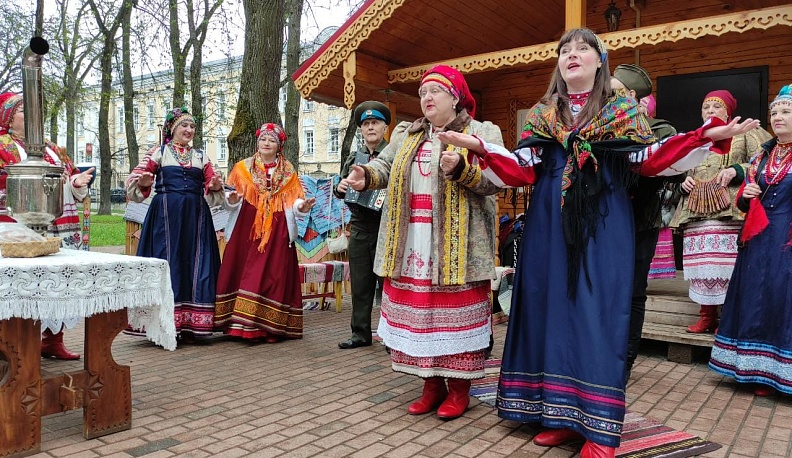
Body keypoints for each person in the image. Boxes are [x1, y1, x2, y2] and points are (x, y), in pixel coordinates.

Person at [435, 28, 759, 457]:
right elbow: (521, 168)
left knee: (596, 313)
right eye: (564, 50)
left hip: (602, 225)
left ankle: (600, 432)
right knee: (552, 312)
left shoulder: (621, 110)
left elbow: (651, 159)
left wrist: (702, 137)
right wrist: (476, 144)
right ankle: (561, 417)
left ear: (599, 61)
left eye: (582, 48)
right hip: (549, 226)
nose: (572, 55)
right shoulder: (543, 112)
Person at [345, 65, 504, 420]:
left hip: (457, 246)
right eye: (422, 94)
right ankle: (430, 384)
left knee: (453, 318)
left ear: (456, 97)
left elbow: (497, 180)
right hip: (412, 243)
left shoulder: (481, 132)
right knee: (422, 318)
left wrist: (464, 170)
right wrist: (364, 176)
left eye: (435, 91)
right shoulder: (408, 134)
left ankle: (458, 388)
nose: (427, 98)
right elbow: (383, 167)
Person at [709, 84, 792, 397]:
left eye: (785, 111)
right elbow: (744, 204)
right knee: (756, 296)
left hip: (787, 240)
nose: (778, 117)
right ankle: (753, 370)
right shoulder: (762, 154)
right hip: (758, 239)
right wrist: (745, 195)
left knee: (782, 300)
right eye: (774, 112)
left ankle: (780, 375)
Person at [0, 91, 94, 360]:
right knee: (22, 285)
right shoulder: (2, 145)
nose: (32, 117)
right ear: (9, 117)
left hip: (57, 225)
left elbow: (72, 176)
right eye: (24, 111)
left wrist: (76, 183)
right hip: (15, 224)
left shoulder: (51, 147)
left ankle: (53, 340)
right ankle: (14, 346)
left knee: (59, 282)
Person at [670, 90, 773, 333]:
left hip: (728, 210)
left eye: (716, 107)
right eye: (706, 107)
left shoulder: (745, 132)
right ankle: (707, 317)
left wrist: (737, 170)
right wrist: (684, 180)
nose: (710, 111)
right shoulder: (697, 138)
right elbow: (681, 166)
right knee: (702, 265)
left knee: (727, 266)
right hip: (697, 210)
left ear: (728, 112)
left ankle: (728, 317)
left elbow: (764, 160)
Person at [126, 106, 223, 342]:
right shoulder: (158, 153)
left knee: (196, 264)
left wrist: (216, 187)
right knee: (167, 262)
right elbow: (134, 186)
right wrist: (144, 183)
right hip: (165, 218)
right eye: (184, 126)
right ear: (172, 129)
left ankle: (193, 324)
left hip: (195, 218)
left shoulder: (202, 157)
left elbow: (215, 188)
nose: (189, 130)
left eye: (192, 126)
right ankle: (163, 324)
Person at [214, 123, 315, 343]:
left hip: (277, 228)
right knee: (243, 271)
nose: (266, 143)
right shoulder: (242, 168)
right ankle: (240, 326)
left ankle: (269, 327)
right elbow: (231, 198)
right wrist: (230, 200)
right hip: (246, 227)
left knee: (273, 274)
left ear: (278, 145)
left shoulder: (288, 171)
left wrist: (302, 207)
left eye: (271, 140)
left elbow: (294, 201)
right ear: (257, 142)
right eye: (263, 139)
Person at [611, 64, 680, 381]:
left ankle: (624, 361)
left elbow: (677, 167)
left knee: (633, 292)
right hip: (606, 223)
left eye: (612, 90)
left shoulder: (660, 129)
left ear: (629, 94)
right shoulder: (601, 125)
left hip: (640, 223)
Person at [336, 101, 390, 350]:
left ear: (384, 127)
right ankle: (360, 333)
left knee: (388, 284)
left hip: (386, 225)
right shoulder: (353, 158)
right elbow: (341, 189)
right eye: (366, 124)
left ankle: (393, 335)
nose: (370, 127)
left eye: (375, 123)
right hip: (359, 225)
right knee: (360, 283)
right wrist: (340, 187)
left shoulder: (393, 154)